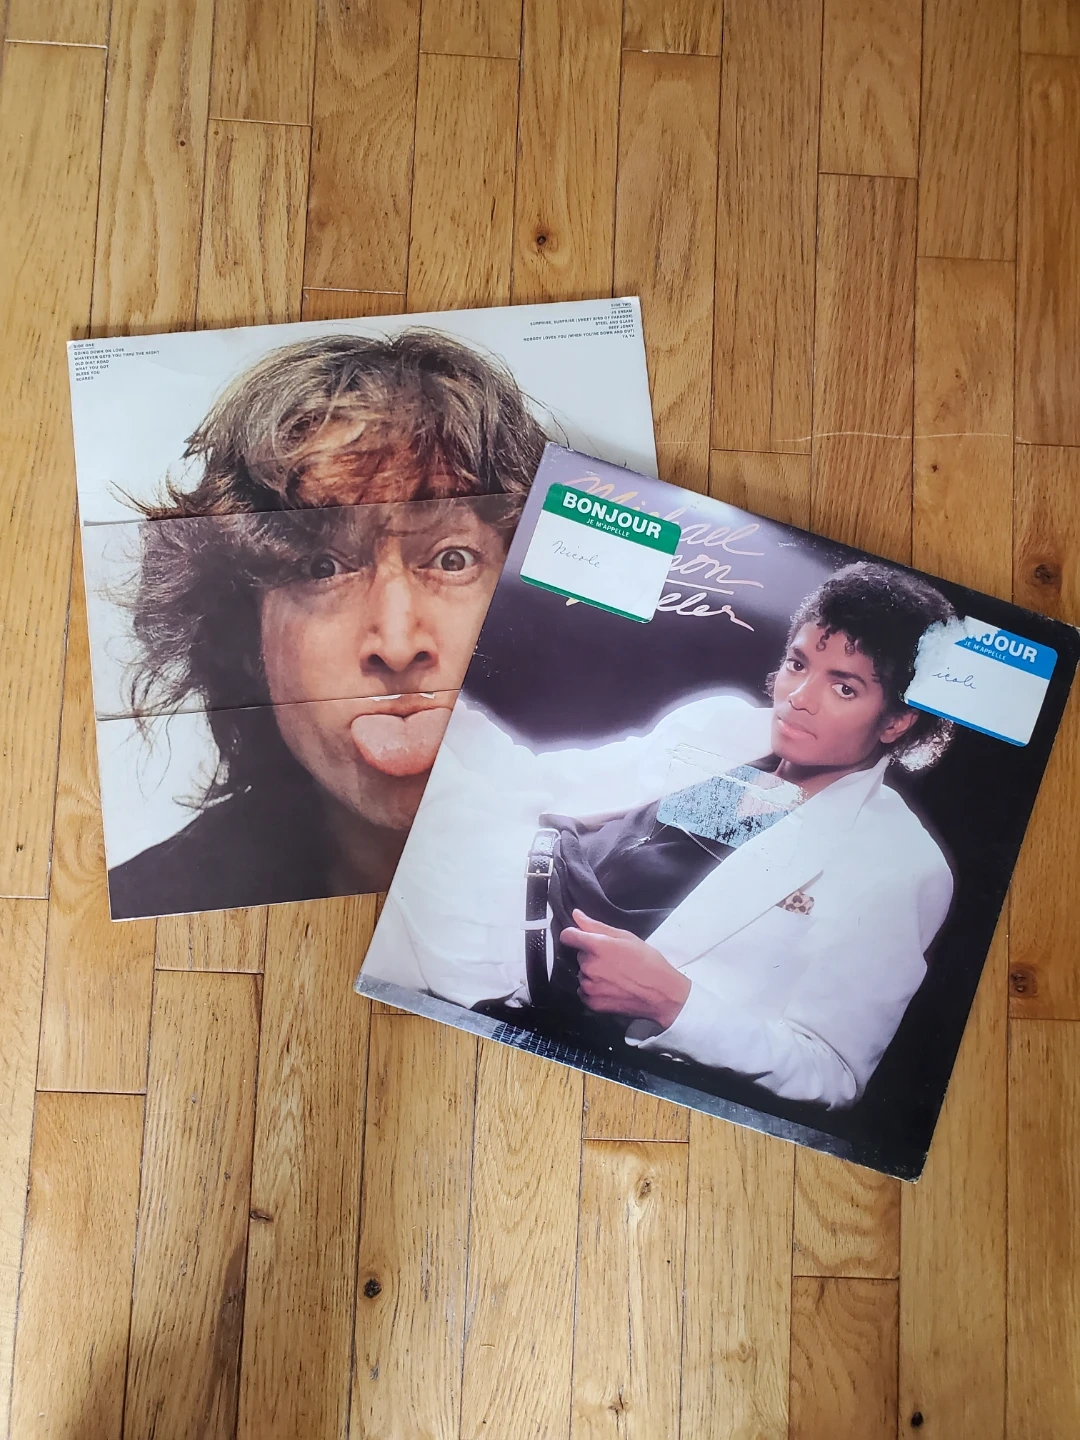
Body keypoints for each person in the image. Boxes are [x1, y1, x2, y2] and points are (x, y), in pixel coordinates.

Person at [362, 561, 957, 1110]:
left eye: (844, 687)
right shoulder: (732, 728)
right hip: (493, 854)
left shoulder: (897, 863)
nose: (798, 700)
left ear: (898, 719)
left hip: (501, 963)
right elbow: (550, 781)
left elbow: (832, 1073)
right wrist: (447, 720)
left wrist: (673, 1002)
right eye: (799, 665)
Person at [107, 330, 549, 918]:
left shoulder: (647, 860)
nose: (398, 645)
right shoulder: (151, 906)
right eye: (322, 568)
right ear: (247, 639)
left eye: (452, 560)